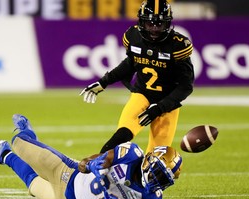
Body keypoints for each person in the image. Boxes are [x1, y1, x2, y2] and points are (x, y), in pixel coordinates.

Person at [0, 114, 183, 199]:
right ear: (148, 160)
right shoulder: (130, 153)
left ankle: (2, 154)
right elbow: (85, 164)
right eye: (158, 172)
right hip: (68, 173)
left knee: (31, 181)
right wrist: (94, 165)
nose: (157, 179)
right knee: (20, 143)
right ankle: (27, 131)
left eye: (163, 179)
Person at [80, 0, 195, 154]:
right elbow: (129, 64)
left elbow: (185, 86)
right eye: (150, 24)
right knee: (120, 138)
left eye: (159, 24)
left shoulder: (178, 45)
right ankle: (93, 173)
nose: (154, 29)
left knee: (156, 158)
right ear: (141, 22)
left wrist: (160, 107)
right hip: (142, 95)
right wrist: (104, 82)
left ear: (168, 24)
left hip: (167, 104)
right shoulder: (133, 36)